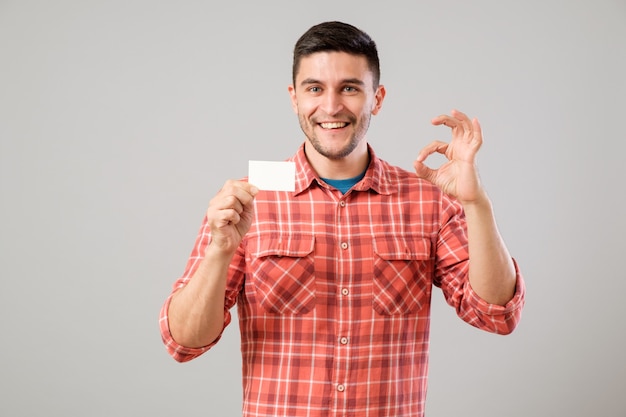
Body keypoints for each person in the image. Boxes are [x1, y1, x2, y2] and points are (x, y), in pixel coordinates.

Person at [159, 20, 525, 417]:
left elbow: (496, 314)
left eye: (349, 88)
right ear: (294, 97)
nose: (331, 106)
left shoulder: (428, 200)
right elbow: (183, 342)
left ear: (377, 98)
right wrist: (219, 251)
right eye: (314, 88)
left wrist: (477, 204)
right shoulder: (248, 200)